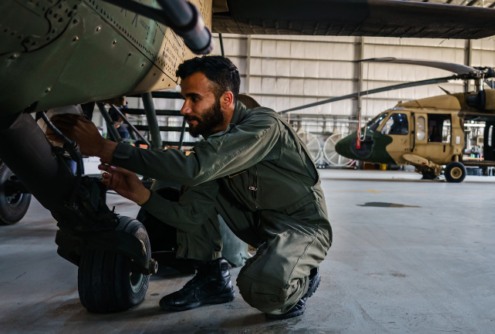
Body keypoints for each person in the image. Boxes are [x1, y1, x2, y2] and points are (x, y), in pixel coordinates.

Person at [52, 56, 331, 320]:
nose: (184, 109)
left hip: (302, 228)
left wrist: (104, 147)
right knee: (194, 180)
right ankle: (212, 280)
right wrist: (141, 194)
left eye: (194, 98)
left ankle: (303, 279)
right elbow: (190, 218)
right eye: (184, 98)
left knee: (262, 288)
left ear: (227, 99)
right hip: (261, 230)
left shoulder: (264, 126)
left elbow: (193, 168)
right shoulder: (216, 149)